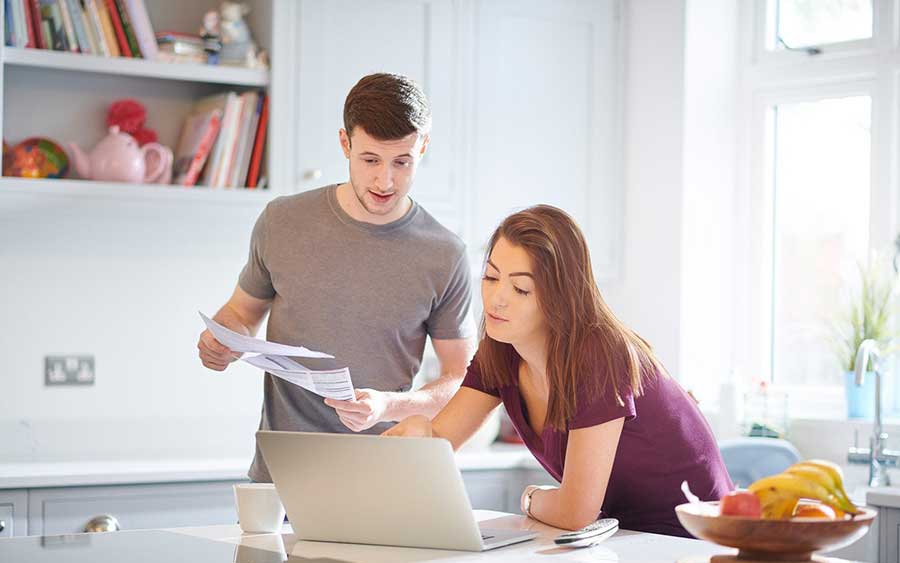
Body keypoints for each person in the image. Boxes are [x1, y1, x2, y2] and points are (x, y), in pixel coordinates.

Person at [385, 205, 733, 536]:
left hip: (693, 539)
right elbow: (441, 446)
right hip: (623, 536)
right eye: (491, 277)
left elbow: (575, 512)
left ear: (559, 297)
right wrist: (422, 436)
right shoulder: (501, 349)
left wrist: (530, 497)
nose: (496, 299)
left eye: (520, 288)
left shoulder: (600, 356)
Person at [198, 73, 477, 483]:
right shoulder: (282, 221)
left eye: (403, 162)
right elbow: (241, 313)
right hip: (282, 479)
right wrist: (220, 340)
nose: (385, 181)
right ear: (345, 143)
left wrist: (387, 406)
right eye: (370, 160)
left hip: (383, 480)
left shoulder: (445, 254)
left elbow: (463, 379)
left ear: (424, 147)